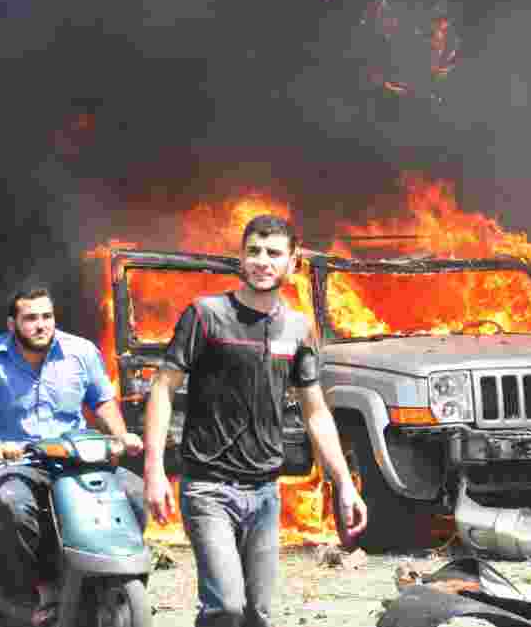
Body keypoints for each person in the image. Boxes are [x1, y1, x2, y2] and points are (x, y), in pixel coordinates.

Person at [143, 214, 368, 627]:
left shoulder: (298, 329)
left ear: (292, 262)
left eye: (273, 253)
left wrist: (344, 485)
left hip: (265, 491)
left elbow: (315, 412)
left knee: (258, 615)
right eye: (254, 252)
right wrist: (154, 470)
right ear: (241, 259)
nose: (263, 261)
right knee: (226, 606)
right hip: (208, 488)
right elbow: (162, 387)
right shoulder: (205, 316)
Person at [0, 284, 146, 612]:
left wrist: (121, 436)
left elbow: (101, 401)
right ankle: (29, 596)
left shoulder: (80, 352)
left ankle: (115, 582)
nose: (41, 324)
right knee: (11, 503)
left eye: (47, 316)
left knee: (134, 493)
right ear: (12, 324)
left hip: (76, 460)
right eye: (30, 318)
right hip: (19, 462)